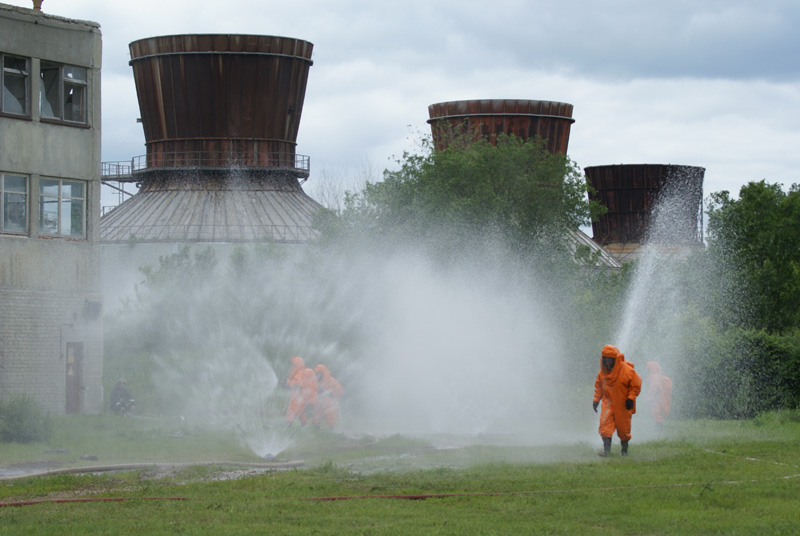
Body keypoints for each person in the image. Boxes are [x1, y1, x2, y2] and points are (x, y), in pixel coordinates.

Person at [592, 345, 642, 457]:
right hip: (608, 402)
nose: (607, 362)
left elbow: (636, 385)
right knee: (604, 425)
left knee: (624, 430)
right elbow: (599, 386)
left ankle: (624, 450)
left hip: (623, 403)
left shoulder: (627, 371)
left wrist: (630, 398)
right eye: (605, 359)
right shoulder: (602, 373)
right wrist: (596, 400)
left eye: (610, 360)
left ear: (616, 359)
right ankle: (606, 451)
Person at [285, 356, 318, 425]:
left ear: (297, 365)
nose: (292, 366)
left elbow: (298, 384)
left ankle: (288, 423)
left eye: (294, 365)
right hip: (301, 396)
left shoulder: (300, 373)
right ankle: (304, 423)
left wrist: (289, 383)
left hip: (299, 396)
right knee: (300, 411)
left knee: (292, 409)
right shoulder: (302, 372)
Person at [312, 364, 343, 429]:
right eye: (316, 374)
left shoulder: (331, 381)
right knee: (316, 416)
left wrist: (332, 393)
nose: (318, 376)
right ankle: (316, 429)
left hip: (330, 403)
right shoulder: (315, 382)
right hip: (319, 402)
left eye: (319, 374)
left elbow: (339, 390)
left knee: (330, 416)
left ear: (323, 374)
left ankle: (331, 429)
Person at [645, 361, 673, 432]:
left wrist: (649, 399)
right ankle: (658, 429)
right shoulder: (661, 377)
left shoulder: (654, 378)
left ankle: (658, 430)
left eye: (648, 368)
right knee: (658, 413)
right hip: (660, 398)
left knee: (656, 413)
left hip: (657, 399)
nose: (646, 370)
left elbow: (653, 389)